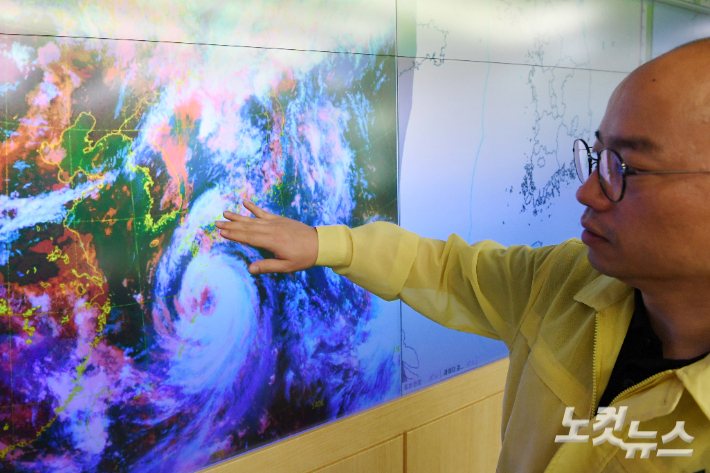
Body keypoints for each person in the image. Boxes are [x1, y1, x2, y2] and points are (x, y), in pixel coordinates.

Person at [215, 39, 710, 472]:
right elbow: (447, 269)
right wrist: (325, 244)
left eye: (624, 168)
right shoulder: (565, 281)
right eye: (597, 156)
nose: (587, 192)